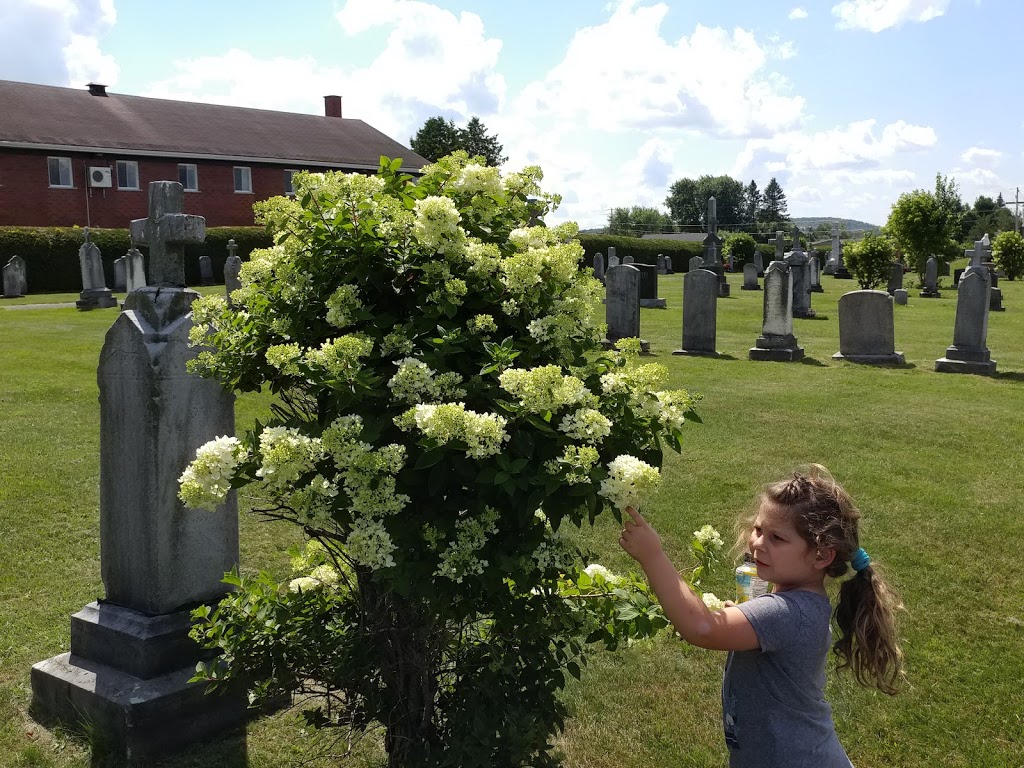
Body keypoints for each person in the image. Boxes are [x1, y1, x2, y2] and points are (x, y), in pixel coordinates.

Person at [618, 464, 904, 768]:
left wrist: (653, 556)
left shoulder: (785, 613)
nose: (757, 543)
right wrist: (743, 618)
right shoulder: (799, 604)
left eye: (777, 538)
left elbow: (702, 628)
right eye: (758, 529)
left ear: (821, 555)